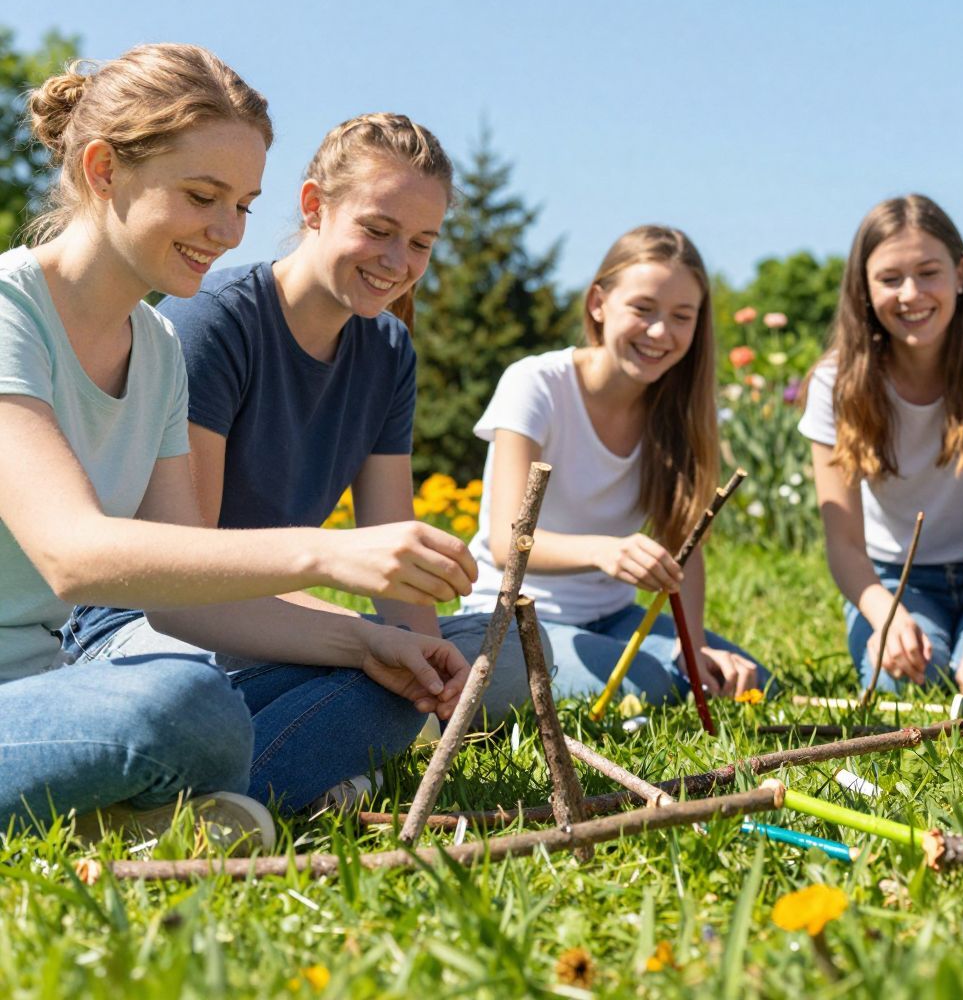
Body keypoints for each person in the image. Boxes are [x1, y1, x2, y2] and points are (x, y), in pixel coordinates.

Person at [0, 45, 474, 842]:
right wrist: (324, 556)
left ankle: (157, 812)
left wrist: (368, 640)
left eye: (243, 205)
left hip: (57, 690)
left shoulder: (151, 347)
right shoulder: (12, 313)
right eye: (201, 196)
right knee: (184, 705)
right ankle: (194, 800)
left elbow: (182, 594)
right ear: (104, 169)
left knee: (383, 686)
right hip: (65, 695)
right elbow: (73, 556)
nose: (226, 232)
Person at [68, 113, 530, 815]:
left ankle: (270, 775)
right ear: (315, 207)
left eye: (421, 243)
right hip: (153, 624)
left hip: (276, 622)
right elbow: (190, 573)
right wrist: (367, 646)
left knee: (503, 655)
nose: (396, 261)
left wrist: (431, 683)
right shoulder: (215, 322)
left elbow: (396, 570)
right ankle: (250, 787)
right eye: (377, 230)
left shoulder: (388, 352)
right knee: (363, 682)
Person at [458, 225, 766, 704]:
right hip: (514, 615)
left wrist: (696, 644)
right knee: (656, 686)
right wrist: (604, 551)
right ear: (599, 303)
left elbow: (687, 546)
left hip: (613, 618)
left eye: (682, 316)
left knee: (742, 679)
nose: (660, 332)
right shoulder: (535, 384)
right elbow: (504, 543)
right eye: (643, 309)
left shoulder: (676, 410)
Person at [802, 195, 963, 692]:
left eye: (928, 272)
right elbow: (844, 541)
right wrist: (884, 616)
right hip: (899, 576)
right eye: (890, 279)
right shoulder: (835, 382)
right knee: (904, 679)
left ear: (960, 274)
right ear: (865, 290)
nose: (911, 294)